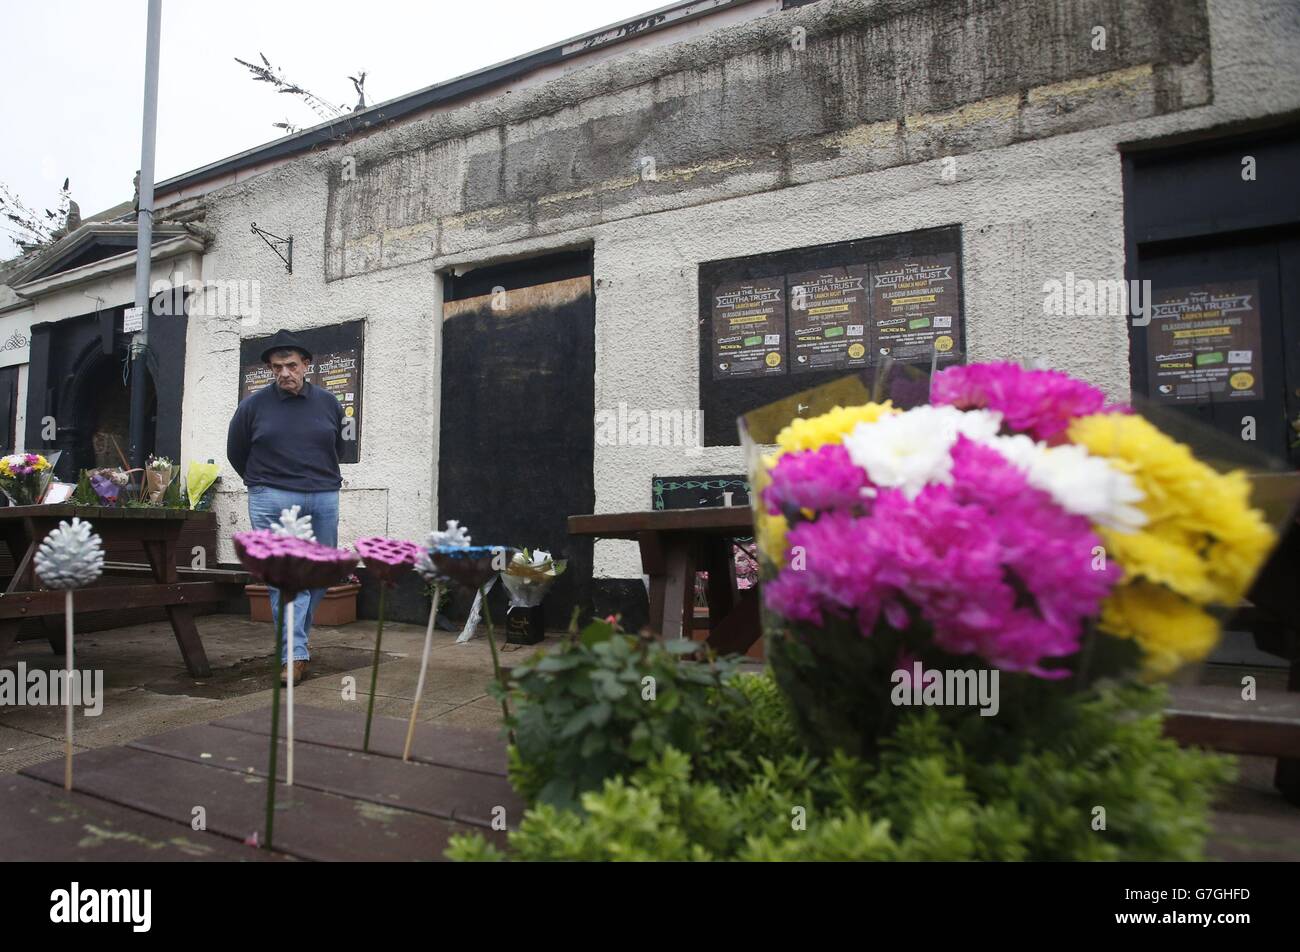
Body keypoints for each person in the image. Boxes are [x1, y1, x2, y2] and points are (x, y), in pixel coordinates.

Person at [226, 330, 345, 685]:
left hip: (322, 495)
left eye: (291, 365)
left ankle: (297, 644)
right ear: (269, 369)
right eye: (276, 367)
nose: (284, 373)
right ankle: (294, 655)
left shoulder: (328, 403)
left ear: (307, 365)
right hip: (272, 495)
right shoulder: (253, 406)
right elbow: (237, 451)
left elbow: (336, 446)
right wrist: (259, 483)